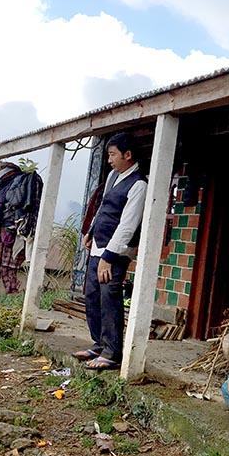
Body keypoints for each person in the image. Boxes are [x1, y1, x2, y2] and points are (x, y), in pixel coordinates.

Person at [72, 132, 147, 370]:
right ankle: (99, 344)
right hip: (98, 246)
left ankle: (112, 352)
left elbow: (128, 224)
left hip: (114, 253)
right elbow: (103, 208)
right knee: (93, 297)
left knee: (109, 298)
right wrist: (91, 231)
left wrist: (108, 257)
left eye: (112, 154)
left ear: (128, 155)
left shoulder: (138, 185)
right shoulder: (114, 175)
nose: (109, 160)